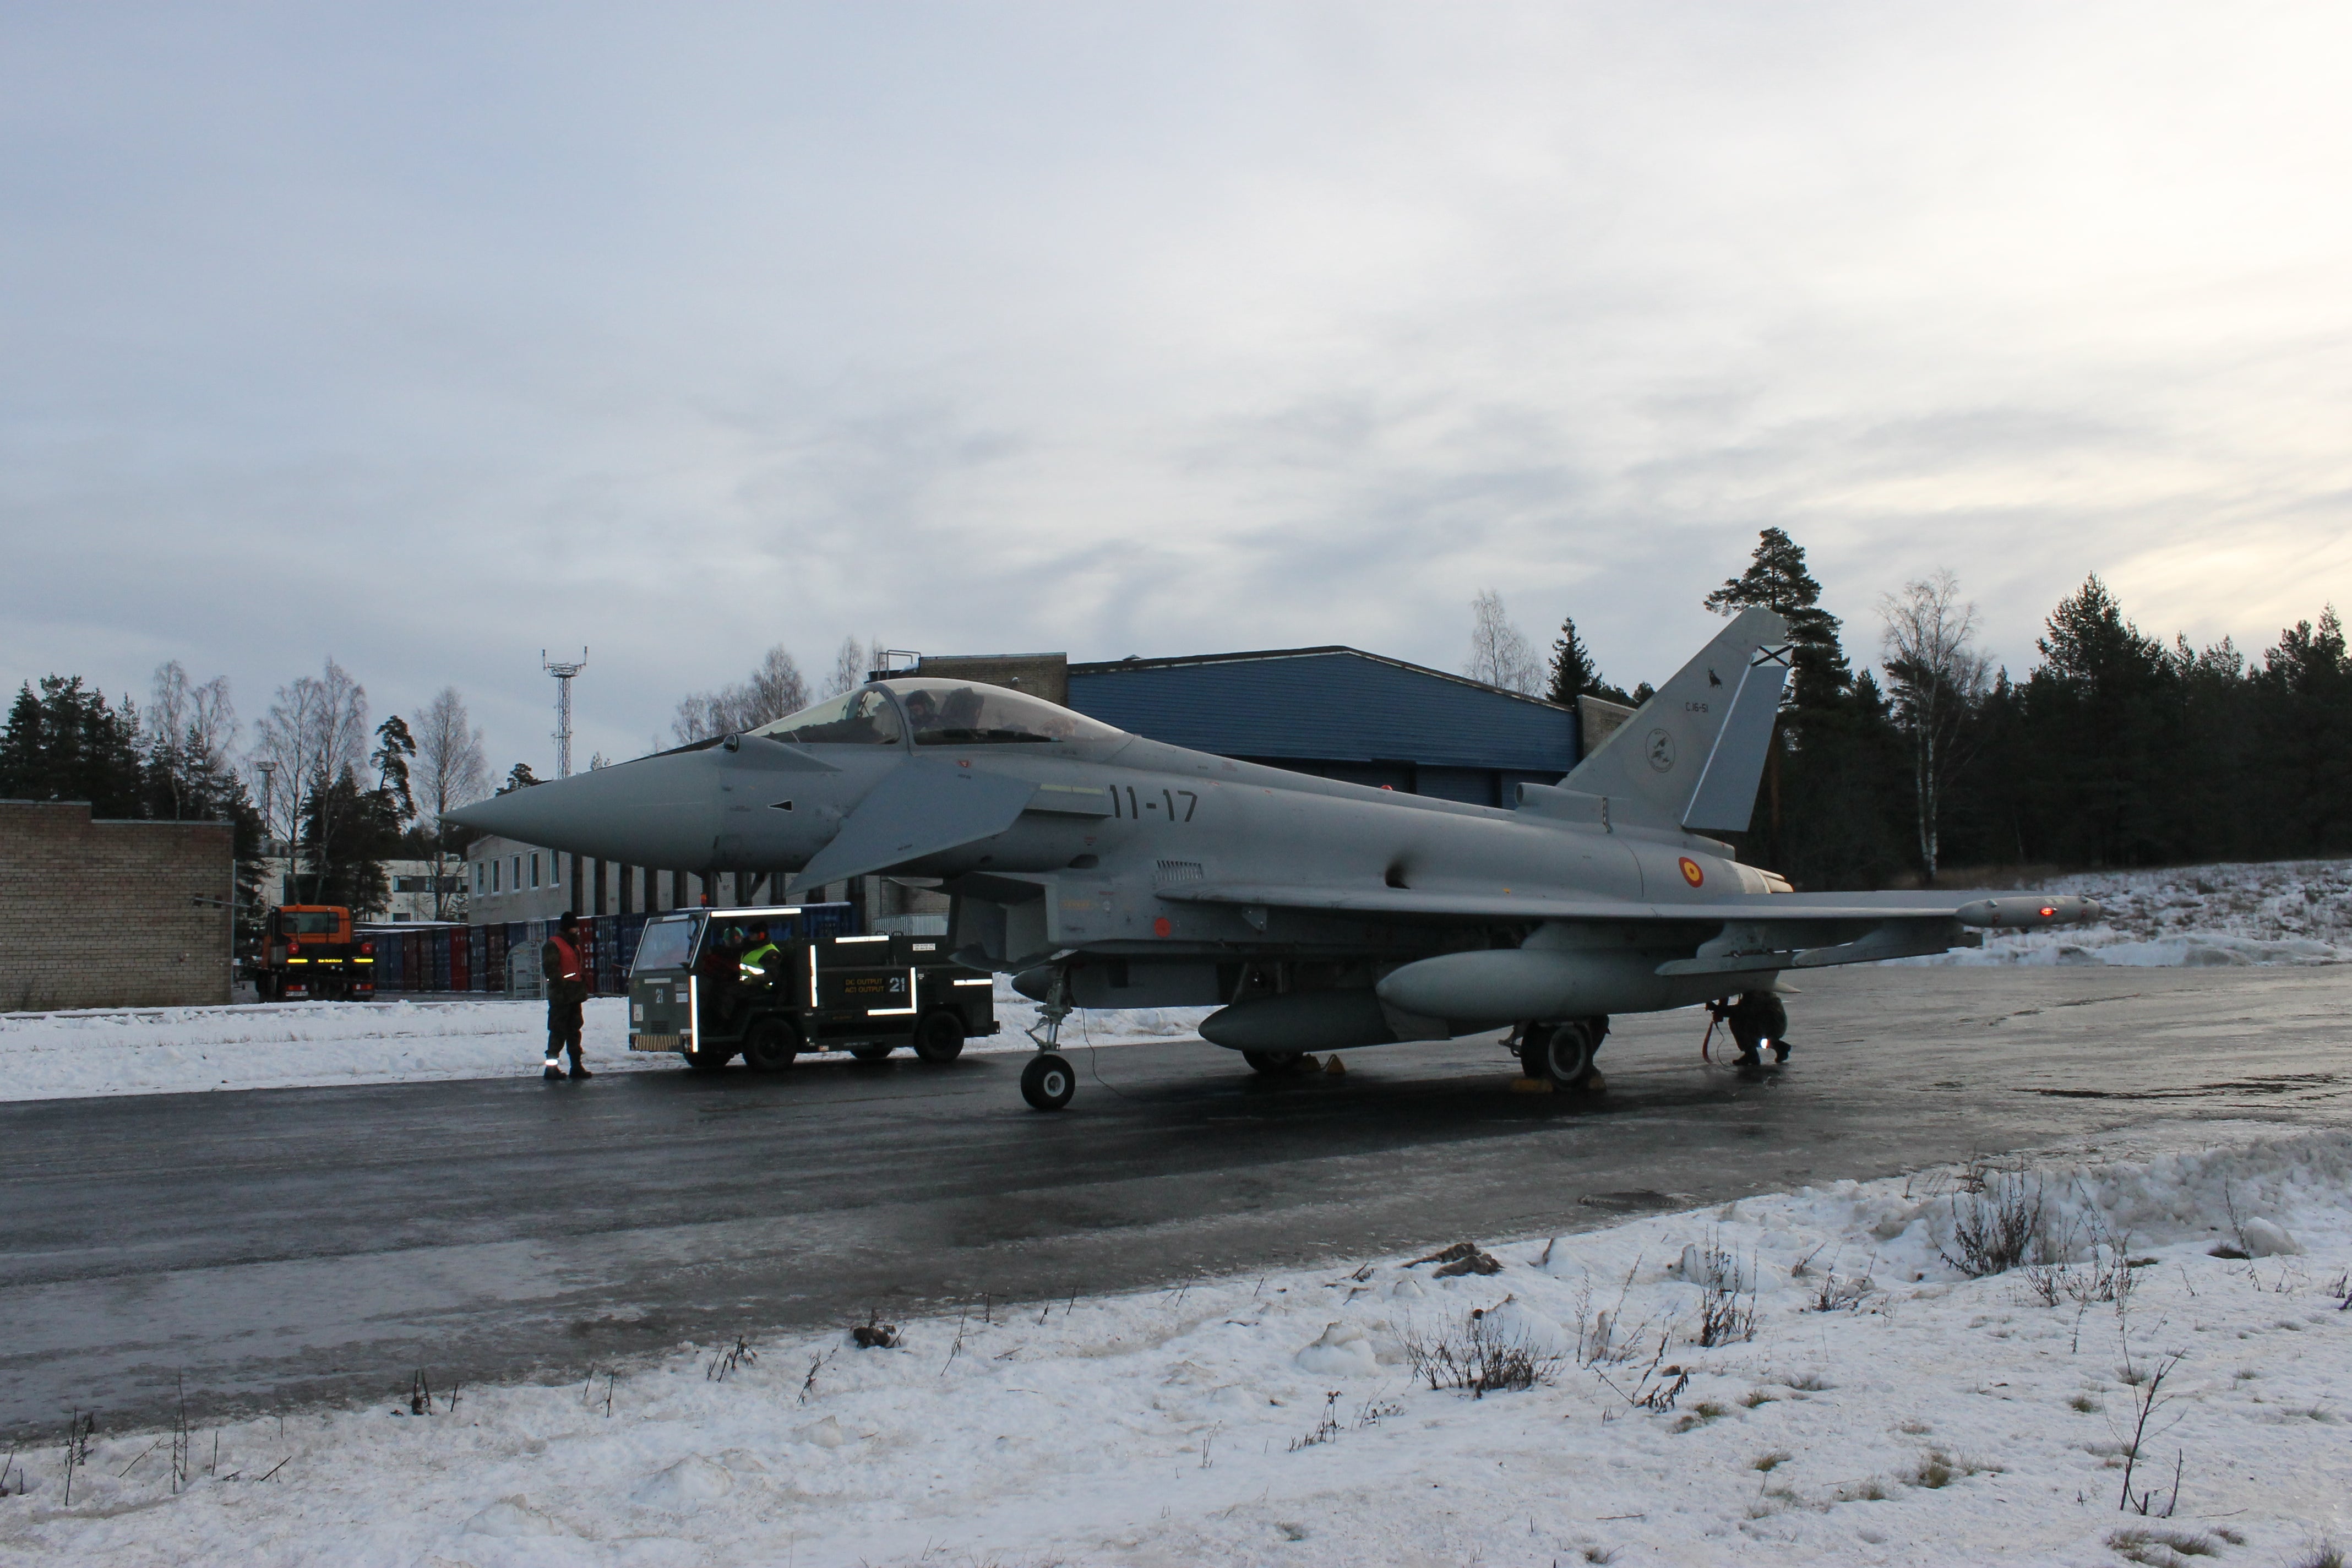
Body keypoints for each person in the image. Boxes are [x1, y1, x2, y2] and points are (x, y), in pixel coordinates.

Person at [541, 912, 594, 1080]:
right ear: (566, 927)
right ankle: (551, 1068)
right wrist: (562, 987)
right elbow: (551, 970)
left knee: (574, 1031)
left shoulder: (574, 945)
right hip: (561, 997)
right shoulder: (554, 944)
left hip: (575, 995)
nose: (576, 930)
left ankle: (576, 1066)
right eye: (573, 927)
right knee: (558, 1031)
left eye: (576, 927)